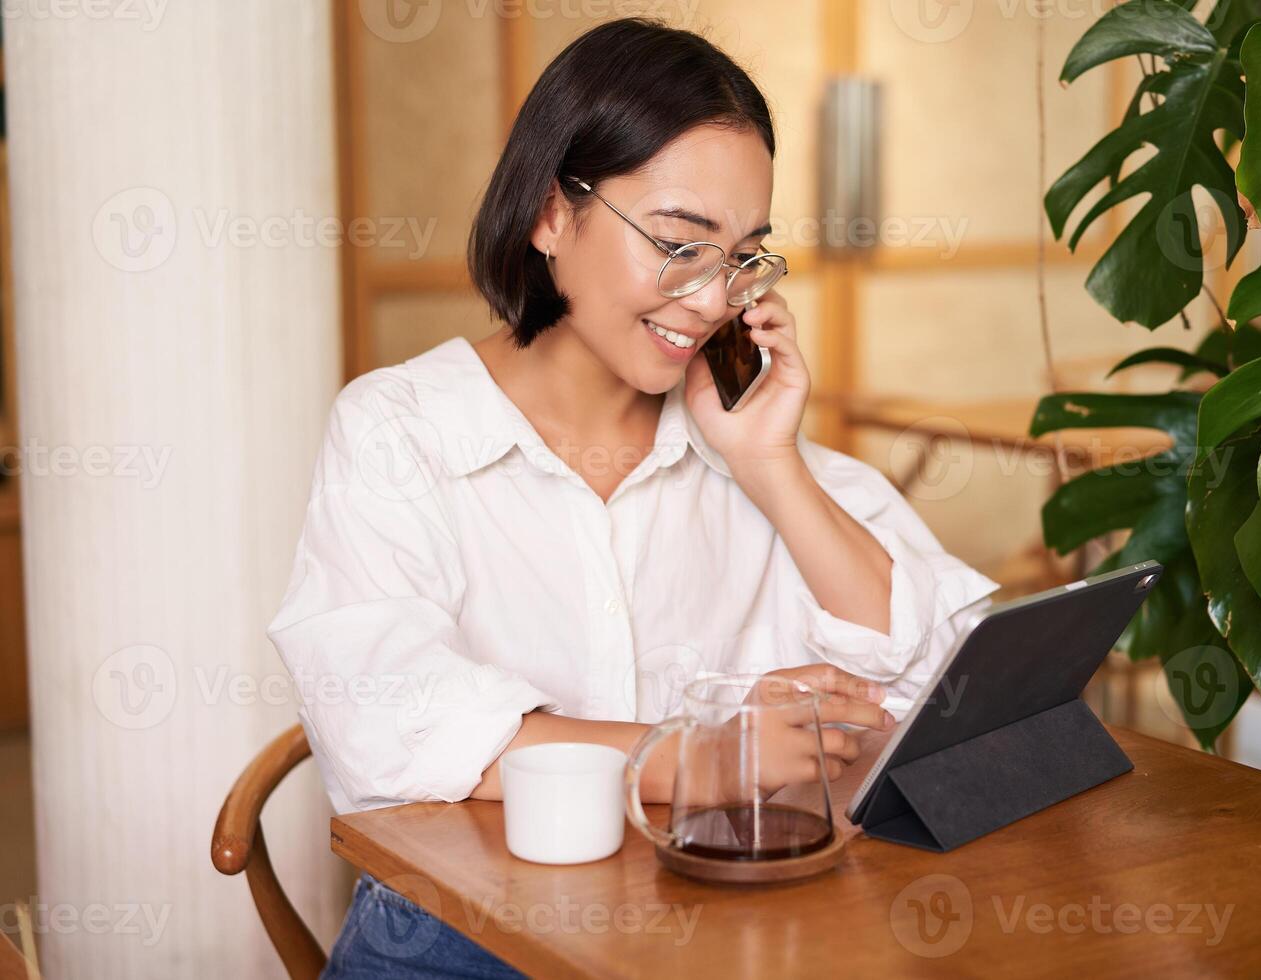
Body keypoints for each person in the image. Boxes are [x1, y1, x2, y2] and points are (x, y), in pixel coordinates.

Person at [268, 16, 999, 978]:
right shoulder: (398, 430)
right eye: (678, 244)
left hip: (708, 937)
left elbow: (941, 682)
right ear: (549, 213)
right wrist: (697, 752)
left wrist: (772, 465)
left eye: (744, 256)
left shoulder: (746, 447)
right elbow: (385, 727)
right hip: (459, 942)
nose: (710, 301)